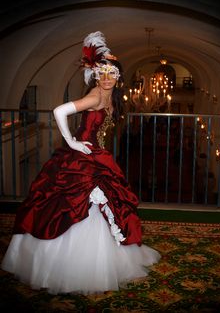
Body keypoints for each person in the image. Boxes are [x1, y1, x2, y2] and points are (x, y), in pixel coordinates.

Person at [1, 31, 161, 295]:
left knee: (104, 206)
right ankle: (69, 266)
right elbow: (59, 111)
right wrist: (73, 143)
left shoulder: (110, 97)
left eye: (112, 73)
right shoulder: (96, 96)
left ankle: (101, 261)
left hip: (98, 157)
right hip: (83, 160)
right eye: (102, 73)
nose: (107, 78)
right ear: (96, 75)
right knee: (78, 206)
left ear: (118, 77)